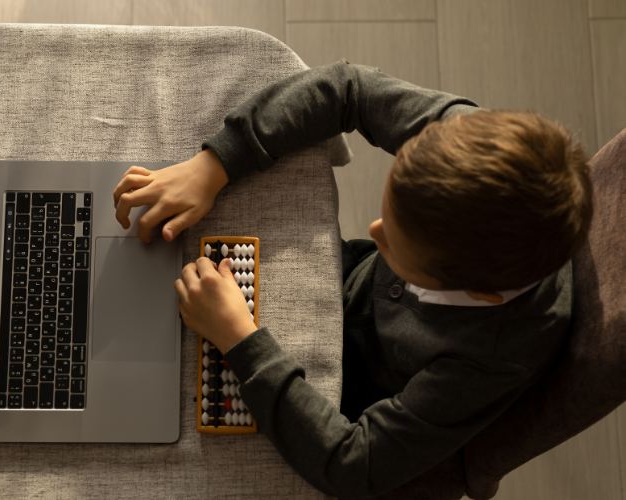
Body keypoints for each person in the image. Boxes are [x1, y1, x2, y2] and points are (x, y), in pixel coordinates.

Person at [111, 60, 593, 497]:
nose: (374, 231)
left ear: (478, 294)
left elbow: (352, 465)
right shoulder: (464, 146)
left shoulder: (490, 357)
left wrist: (239, 338)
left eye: (397, 246)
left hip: (343, 392)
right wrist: (213, 165)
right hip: (338, 287)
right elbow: (349, 88)